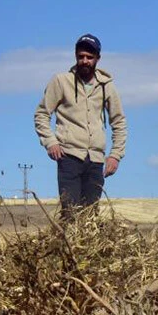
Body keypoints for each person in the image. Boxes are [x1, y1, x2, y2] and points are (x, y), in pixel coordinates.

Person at [34, 34, 127, 220]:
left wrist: (115, 155)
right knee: (70, 213)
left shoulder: (106, 86)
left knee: (91, 216)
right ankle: (66, 247)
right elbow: (42, 114)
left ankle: (88, 249)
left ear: (97, 59)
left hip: (95, 159)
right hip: (69, 156)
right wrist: (50, 142)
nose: (84, 61)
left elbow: (119, 122)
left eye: (89, 57)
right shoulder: (61, 81)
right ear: (76, 56)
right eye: (81, 56)